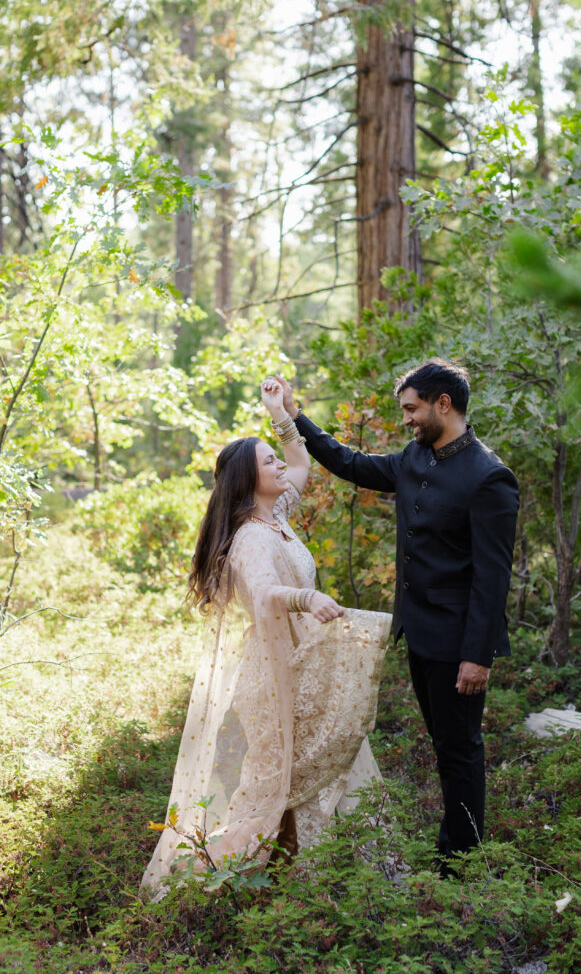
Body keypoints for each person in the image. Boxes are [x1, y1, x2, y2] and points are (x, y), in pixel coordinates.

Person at [141, 380, 391, 895]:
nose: (281, 467)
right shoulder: (251, 537)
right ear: (250, 480)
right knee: (285, 781)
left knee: (325, 765)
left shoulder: (274, 516)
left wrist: (281, 415)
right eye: (269, 462)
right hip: (276, 675)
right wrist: (307, 599)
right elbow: (263, 592)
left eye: (276, 459)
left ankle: (331, 880)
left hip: (301, 660)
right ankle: (290, 886)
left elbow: (301, 465)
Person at [273, 359, 519, 873]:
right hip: (419, 634)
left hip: (459, 644)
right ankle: (454, 848)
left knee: (460, 749)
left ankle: (463, 861)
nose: (406, 419)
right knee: (443, 744)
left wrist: (477, 657)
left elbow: (492, 578)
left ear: (443, 404)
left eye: (411, 409)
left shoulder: (489, 477)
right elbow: (352, 464)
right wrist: (296, 418)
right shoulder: (414, 459)